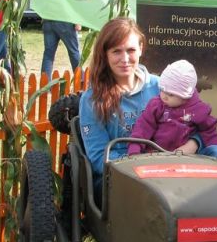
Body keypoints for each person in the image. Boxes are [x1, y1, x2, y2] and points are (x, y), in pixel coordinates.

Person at [78, 18, 198, 190]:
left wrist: (193, 144)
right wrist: (145, 169)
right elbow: (99, 158)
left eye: (131, 50)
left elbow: (198, 123)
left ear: (141, 49)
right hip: (121, 180)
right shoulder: (92, 100)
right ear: (105, 54)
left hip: (172, 170)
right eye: (116, 51)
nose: (125, 59)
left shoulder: (162, 87)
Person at [127, 60, 217, 159]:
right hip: (158, 153)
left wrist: (215, 148)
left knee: (216, 151)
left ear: (185, 96)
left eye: (171, 94)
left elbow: (209, 130)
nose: (164, 96)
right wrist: (135, 149)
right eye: (162, 90)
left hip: (189, 157)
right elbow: (143, 127)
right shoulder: (156, 105)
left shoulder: (198, 109)